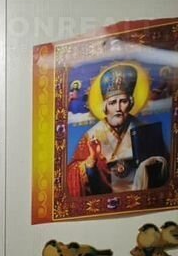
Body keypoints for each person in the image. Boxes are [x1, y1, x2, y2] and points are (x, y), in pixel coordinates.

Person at [67, 63, 168, 197]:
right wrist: (91, 160)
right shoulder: (91, 136)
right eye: (112, 103)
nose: (118, 108)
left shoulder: (146, 131)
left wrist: (153, 164)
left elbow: (167, 170)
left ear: (130, 103)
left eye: (123, 101)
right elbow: (72, 173)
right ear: (105, 107)